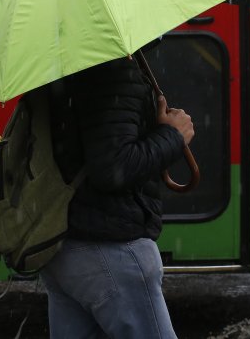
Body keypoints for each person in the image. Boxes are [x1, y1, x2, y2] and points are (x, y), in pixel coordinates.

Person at [41, 45, 195, 339]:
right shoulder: (113, 71)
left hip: (64, 245)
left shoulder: (64, 65)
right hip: (111, 249)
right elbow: (113, 167)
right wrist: (172, 136)